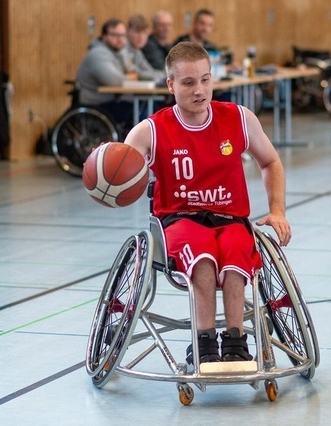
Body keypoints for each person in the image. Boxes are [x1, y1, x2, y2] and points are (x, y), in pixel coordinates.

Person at [124, 42, 291, 364]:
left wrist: (277, 211)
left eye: (205, 79)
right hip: (180, 220)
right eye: (188, 83)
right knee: (202, 259)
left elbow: (271, 162)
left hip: (230, 218)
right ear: (171, 85)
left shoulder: (239, 118)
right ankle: (203, 341)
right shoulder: (151, 130)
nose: (199, 90)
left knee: (235, 256)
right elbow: (120, 171)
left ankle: (236, 340)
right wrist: (107, 169)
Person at [75, 18, 137, 132]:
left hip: (112, 100)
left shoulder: (118, 52)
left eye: (123, 35)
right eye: (115, 35)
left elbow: (134, 71)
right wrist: (130, 77)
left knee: (144, 105)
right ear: (104, 36)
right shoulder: (98, 54)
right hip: (97, 104)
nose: (120, 39)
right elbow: (115, 80)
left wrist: (130, 76)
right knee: (139, 108)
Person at [122, 14, 166, 85]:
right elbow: (137, 73)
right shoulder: (122, 48)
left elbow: (149, 70)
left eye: (144, 33)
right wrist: (163, 75)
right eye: (137, 32)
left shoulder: (137, 51)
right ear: (128, 31)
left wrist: (165, 74)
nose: (141, 37)